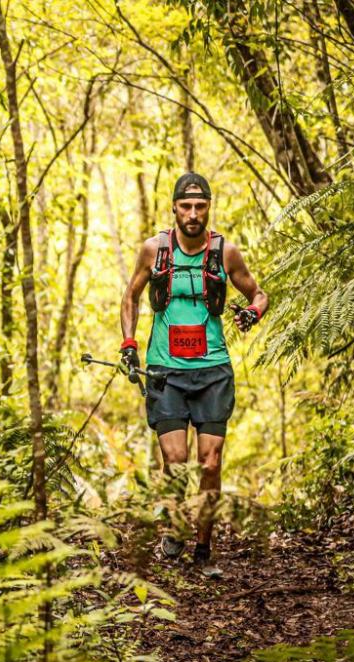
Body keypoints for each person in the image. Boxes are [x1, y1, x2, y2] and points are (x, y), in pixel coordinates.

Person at [119, 173, 268, 566]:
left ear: (208, 209)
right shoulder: (154, 250)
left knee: (211, 463)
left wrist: (253, 312)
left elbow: (258, 293)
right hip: (165, 371)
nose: (193, 213)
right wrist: (129, 344)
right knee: (177, 459)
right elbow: (130, 297)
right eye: (186, 206)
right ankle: (174, 525)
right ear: (174, 208)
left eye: (200, 206)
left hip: (213, 371)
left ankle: (204, 546)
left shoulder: (225, 252)